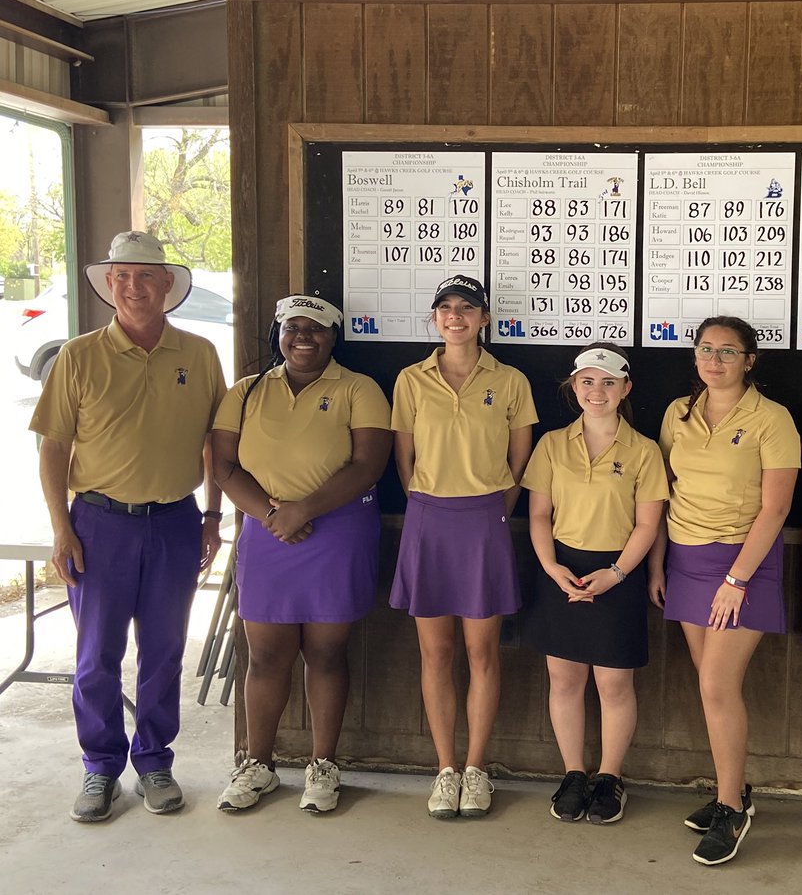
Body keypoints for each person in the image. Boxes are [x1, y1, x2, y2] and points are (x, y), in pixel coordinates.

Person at [30, 231, 226, 821]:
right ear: (108, 284)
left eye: (146, 276)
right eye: (122, 277)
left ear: (168, 285)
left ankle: (155, 760)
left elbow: (217, 443)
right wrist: (62, 530)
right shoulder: (79, 355)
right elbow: (52, 449)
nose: (134, 287)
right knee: (96, 655)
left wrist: (214, 515)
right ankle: (99, 769)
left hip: (174, 522)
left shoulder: (198, 354)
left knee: (165, 650)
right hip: (98, 524)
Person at [211, 295, 391, 813]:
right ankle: (258, 765)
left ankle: (323, 766)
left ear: (334, 338)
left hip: (336, 534)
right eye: (293, 328)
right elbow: (223, 466)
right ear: (278, 334)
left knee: (327, 653)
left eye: (317, 329)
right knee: (266, 656)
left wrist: (302, 510)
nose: (304, 337)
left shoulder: (359, 388)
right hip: (267, 536)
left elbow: (367, 465)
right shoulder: (245, 392)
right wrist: (274, 517)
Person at [647, 316, 800, 866]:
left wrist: (737, 579)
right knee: (710, 688)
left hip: (745, 563)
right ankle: (729, 791)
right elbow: (662, 491)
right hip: (687, 560)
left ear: (749, 360)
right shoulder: (677, 413)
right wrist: (659, 563)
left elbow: (777, 506)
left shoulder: (772, 418)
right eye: (706, 349)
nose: (714, 360)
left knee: (717, 685)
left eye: (728, 351)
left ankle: (733, 807)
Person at [389, 275, 538, 819]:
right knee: (436, 652)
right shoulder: (411, 379)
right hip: (428, 518)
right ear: (435, 318)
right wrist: (422, 501)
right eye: (446, 308)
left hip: (484, 520)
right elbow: (402, 456)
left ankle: (476, 770)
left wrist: (500, 503)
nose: (456, 316)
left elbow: (521, 456)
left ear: (484, 317)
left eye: (467, 308)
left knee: (482, 652)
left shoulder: (511, 379)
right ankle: (445, 769)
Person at [521, 343, 667, 824]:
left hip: (616, 572)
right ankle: (574, 773)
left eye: (608, 382)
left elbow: (648, 524)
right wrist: (550, 567)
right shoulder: (551, 445)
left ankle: (609, 776)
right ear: (574, 387)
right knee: (564, 680)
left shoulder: (644, 450)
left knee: (613, 683)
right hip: (561, 570)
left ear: (626, 388)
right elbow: (539, 514)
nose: (597, 391)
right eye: (587, 381)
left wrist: (618, 574)